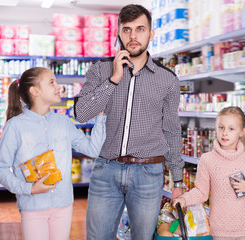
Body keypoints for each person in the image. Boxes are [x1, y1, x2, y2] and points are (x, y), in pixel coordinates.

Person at [73, 4, 184, 240]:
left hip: (148, 173)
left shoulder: (168, 80)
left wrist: (177, 180)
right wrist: (113, 79)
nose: (133, 36)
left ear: (151, 34)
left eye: (140, 29)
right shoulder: (101, 69)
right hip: (106, 170)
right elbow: (81, 114)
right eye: (127, 30)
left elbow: (172, 131)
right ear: (119, 34)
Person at [0, 67, 106, 240]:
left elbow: (93, 150)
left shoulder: (63, 122)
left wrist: (100, 117)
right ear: (34, 91)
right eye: (52, 82)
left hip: (63, 205)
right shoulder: (15, 126)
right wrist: (28, 188)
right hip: (33, 206)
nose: (59, 87)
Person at [172, 106, 245, 240]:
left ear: (242, 132)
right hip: (218, 231)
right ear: (216, 128)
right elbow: (201, 192)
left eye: (231, 129)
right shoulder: (207, 159)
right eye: (221, 127)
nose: (225, 133)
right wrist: (184, 199)